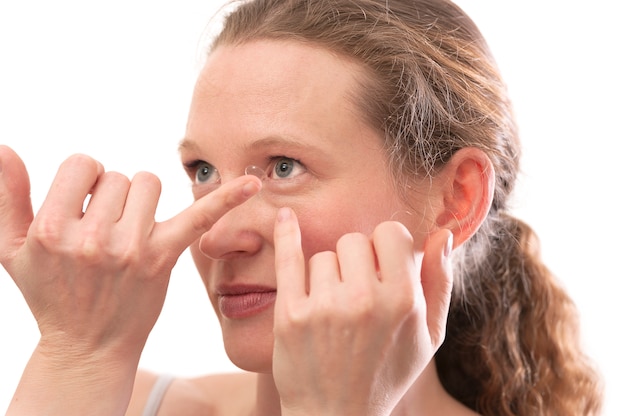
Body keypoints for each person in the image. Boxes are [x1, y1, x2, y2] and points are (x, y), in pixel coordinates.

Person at [0, 0, 603, 415]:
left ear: (456, 199)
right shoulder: (118, 401)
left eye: (284, 167)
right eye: (203, 171)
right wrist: (79, 354)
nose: (215, 238)